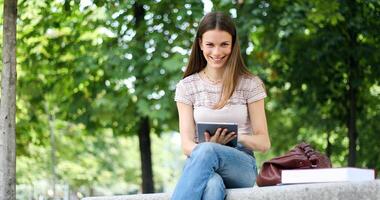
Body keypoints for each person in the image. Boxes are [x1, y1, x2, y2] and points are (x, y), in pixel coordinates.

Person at [171, 11, 271, 200]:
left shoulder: (250, 84)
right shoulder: (186, 87)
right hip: (201, 163)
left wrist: (233, 138)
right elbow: (186, 145)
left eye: (224, 44)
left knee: (207, 150)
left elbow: (264, 143)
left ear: (233, 44)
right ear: (200, 44)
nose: (217, 52)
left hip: (241, 165)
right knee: (212, 184)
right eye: (210, 44)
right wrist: (210, 148)